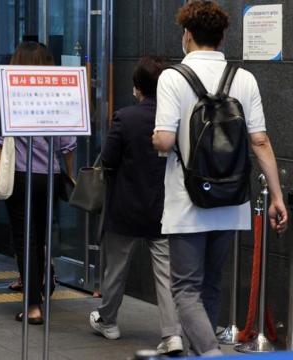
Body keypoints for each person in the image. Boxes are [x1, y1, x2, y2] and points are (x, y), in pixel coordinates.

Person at [152, 1, 288, 355]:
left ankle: (210, 354)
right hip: (231, 200)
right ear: (223, 35)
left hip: (187, 201)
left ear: (187, 35)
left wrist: (157, 140)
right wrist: (277, 196)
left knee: (184, 288)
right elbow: (260, 140)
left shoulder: (173, 76)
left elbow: (165, 140)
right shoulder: (243, 78)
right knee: (211, 284)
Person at [89, 56, 183, 355]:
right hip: (164, 207)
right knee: (166, 273)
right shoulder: (177, 118)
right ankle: (172, 334)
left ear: (137, 87)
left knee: (115, 268)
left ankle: (108, 321)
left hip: (126, 206)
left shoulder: (125, 117)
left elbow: (107, 159)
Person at [0, 42, 76, 324]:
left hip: (20, 177)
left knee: (25, 240)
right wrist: (70, 175)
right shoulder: (58, 98)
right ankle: (45, 274)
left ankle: (34, 306)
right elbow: (68, 144)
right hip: (49, 177)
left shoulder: (11, 98)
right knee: (42, 235)